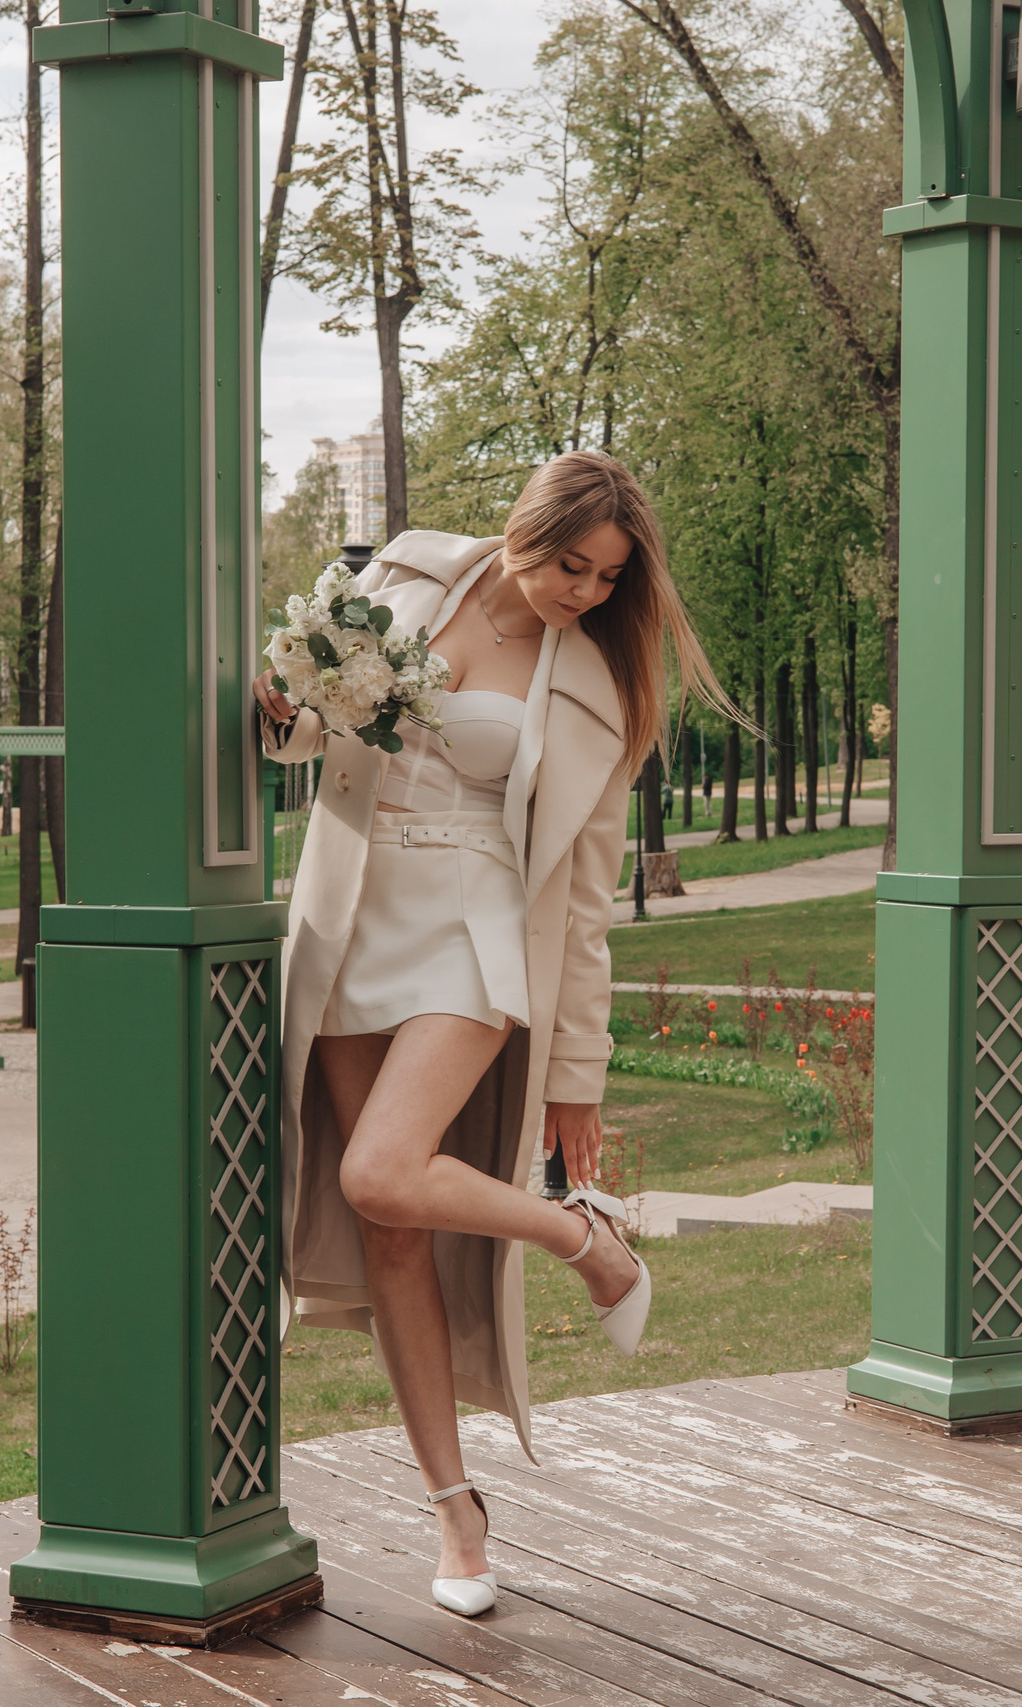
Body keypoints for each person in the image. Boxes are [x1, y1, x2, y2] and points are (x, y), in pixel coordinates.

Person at [251, 450, 732, 1618]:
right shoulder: (407, 580)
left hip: (473, 931)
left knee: (382, 1169)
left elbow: (582, 900)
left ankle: (582, 1241)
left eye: (608, 577)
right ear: (527, 528)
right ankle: (455, 1513)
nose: (584, 591)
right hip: (351, 916)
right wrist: (282, 715)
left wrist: (578, 1075)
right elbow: (317, 743)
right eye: (572, 564)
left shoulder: (598, 689)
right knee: (391, 1231)